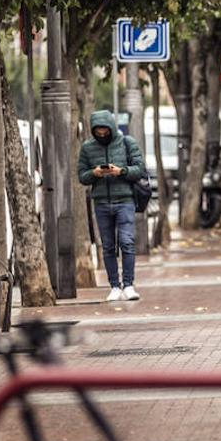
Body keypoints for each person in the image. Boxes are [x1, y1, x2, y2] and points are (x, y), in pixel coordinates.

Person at [78, 110, 146, 302]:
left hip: (125, 200)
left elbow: (140, 169)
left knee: (127, 242)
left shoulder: (127, 143)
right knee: (108, 246)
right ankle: (114, 286)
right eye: (98, 131)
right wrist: (94, 173)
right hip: (101, 203)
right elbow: (82, 176)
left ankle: (129, 285)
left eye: (104, 130)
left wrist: (121, 171)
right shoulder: (87, 148)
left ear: (111, 128)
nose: (101, 134)